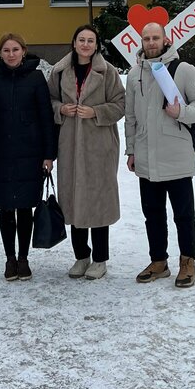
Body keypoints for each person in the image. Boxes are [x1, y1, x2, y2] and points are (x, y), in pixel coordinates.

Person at [124, 21, 195, 289]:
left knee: (183, 214)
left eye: (155, 37)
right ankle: (158, 261)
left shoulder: (183, 70)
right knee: (152, 214)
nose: (151, 42)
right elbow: (130, 117)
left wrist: (180, 113)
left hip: (176, 156)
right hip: (145, 156)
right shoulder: (134, 74)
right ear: (141, 41)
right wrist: (131, 150)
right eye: (146, 38)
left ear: (166, 39)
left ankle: (188, 261)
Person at [48, 24, 125, 280]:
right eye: (81, 40)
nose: (85, 44)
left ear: (96, 45)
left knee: (98, 201)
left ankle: (100, 259)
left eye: (90, 40)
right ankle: (81, 256)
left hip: (99, 145)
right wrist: (60, 109)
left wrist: (96, 112)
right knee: (73, 200)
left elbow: (121, 104)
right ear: (74, 43)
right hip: (69, 144)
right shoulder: (60, 71)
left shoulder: (108, 71)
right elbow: (48, 100)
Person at [0, 33, 56, 281]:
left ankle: (23, 259)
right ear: (0, 53)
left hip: (29, 153)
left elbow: (46, 118)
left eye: (15, 50)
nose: (11, 54)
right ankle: (9, 258)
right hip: (0, 152)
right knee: (5, 208)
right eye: (6, 50)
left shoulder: (36, 78)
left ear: (23, 51)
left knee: (24, 208)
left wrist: (49, 154)